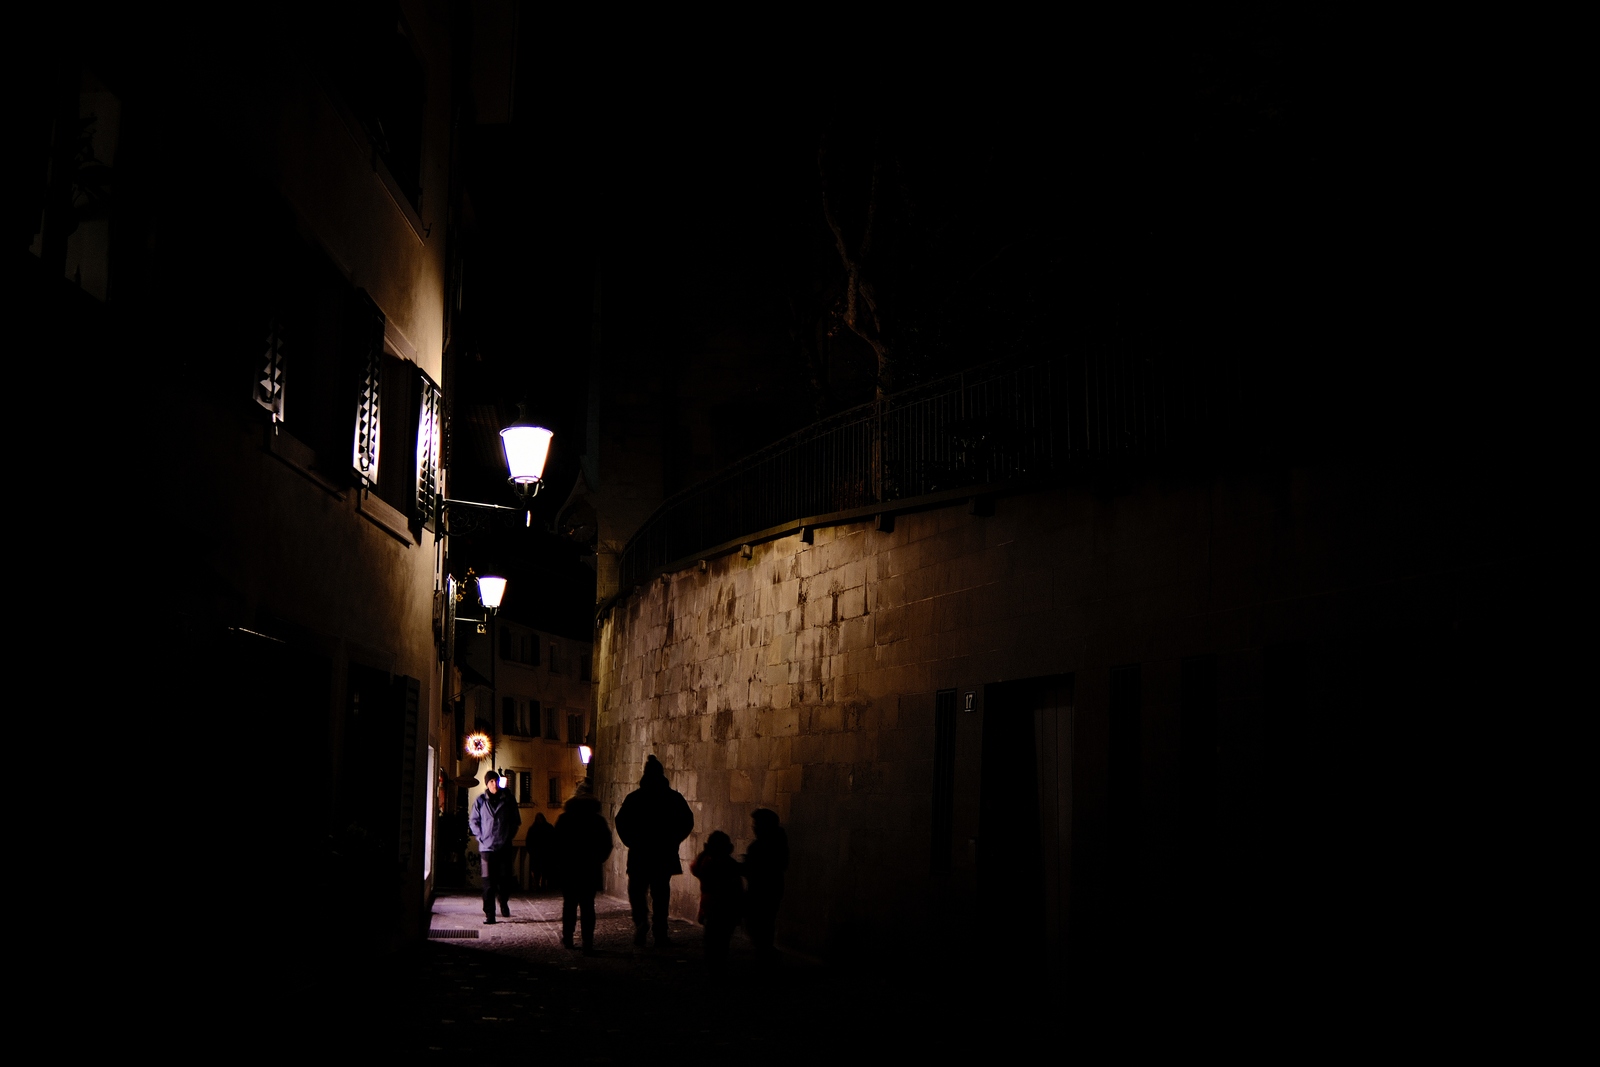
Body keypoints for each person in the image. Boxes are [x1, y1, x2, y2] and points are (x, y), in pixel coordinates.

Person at [614, 755, 694, 947]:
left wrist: (632, 842)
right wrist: (673, 840)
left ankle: (641, 921)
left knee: (637, 892)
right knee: (660, 893)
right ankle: (660, 930)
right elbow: (687, 821)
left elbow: (621, 821)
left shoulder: (635, 798)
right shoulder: (673, 798)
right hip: (663, 854)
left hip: (640, 854)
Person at [553, 788, 613, 954]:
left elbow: (556, 844)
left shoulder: (565, 819)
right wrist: (597, 859)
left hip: (569, 868)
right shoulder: (597, 820)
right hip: (589, 868)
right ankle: (588, 941)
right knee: (588, 906)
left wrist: (561, 862)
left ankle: (568, 937)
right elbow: (607, 844)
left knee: (570, 905)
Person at [468, 769, 521, 924]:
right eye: (491, 781)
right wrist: (480, 837)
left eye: (496, 781)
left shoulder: (508, 800)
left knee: (505, 880)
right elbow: (473, 821)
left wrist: (508, 836)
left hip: (504, 846)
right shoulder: (480, 801)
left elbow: (515, 821)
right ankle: (490, 913)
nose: (494, 784)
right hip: (487, 848)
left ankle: (503, 902)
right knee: (488, 882)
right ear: (487, 784)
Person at [690, 830, 744, 973]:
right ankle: (718, 966)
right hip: (726, 908)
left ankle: (714, 966)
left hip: (713, 907)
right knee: (721, 940)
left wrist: (704, 852)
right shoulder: (730, 865)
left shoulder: (708, 863)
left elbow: (695, 868)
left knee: (712, 940)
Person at [741, 808, 789, 962]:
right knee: (763, 922)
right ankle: (765, 953)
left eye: (756, 824)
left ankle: (766, 954)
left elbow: (762, 868)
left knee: (760, 922)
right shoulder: (776, 841)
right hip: (769, 887)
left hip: (763, 889)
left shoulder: (767, 844)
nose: (753, 827)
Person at [526, 812, 555, 891]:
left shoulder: (546, 828)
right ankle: (539, 885)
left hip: (544, 853)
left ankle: (542, 885)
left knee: (544, 870)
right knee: (537, 870)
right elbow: (529, 841)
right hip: (538, 853)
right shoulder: (534, 829)